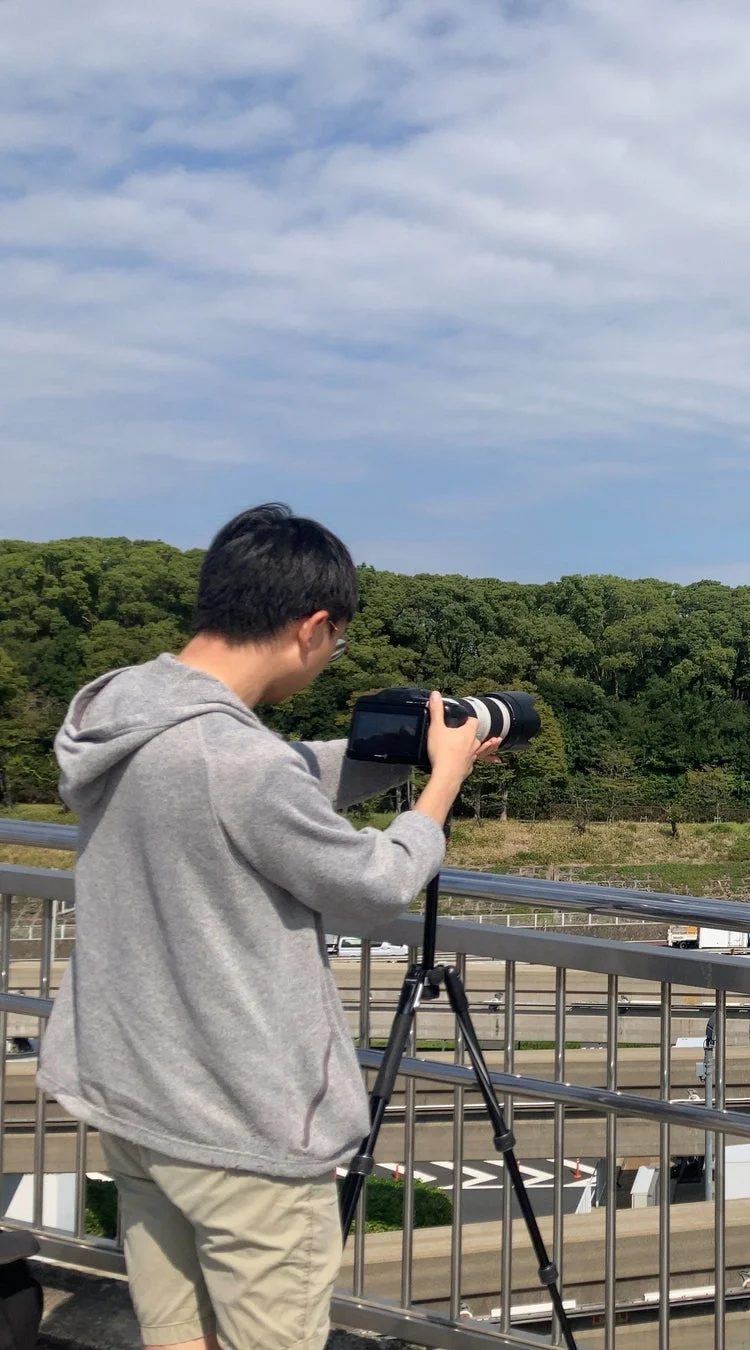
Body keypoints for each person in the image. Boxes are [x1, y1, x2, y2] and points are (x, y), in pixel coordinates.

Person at [39, 504, 498, 1350]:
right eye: (338, 643)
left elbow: (271, 780)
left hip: (136, 1094)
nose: (330, 659)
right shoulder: (235, 760)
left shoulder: (122, 713)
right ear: (311, 626)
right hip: (238, 1124)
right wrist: (444, 782)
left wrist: (396, 751)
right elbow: (377, 882)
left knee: (174, 1333)